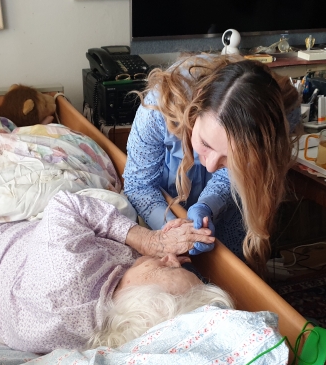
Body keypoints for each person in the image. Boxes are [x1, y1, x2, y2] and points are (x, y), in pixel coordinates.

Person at [0, 190, 233, 353]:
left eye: (167, 269)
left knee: (108, 201)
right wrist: (155, 252)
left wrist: (147, 240)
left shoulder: (68, 276)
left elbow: (64, 204)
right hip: (4, 279)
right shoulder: (118, 320)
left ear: (137, 298)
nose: (171, 259)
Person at [123, 55, 301, 272]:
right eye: (205, 144)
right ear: (198, 102)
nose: (211, 166)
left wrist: (208, 203)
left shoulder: (284, 114)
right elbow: (139, 186)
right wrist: (173, 231)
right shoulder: (156, 110)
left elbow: (234, 176)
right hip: (166, 203)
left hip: (233, 207)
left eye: (231, 158)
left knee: (230, 271)